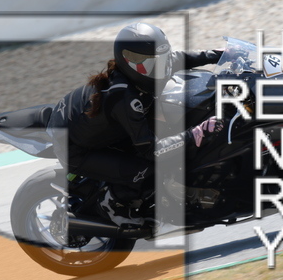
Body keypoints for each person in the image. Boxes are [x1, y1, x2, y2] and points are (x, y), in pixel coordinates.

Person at [47, 22, 224, 227]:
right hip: (75, 147)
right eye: (152, 63)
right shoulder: (125, 97)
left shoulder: (151, 66)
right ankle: (112, 204)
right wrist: (195, 134)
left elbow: (180, 58)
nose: (162, 68)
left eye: (163, 59)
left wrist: (220, 54)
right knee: (149, 168)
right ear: (129, 62)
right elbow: (152, 150)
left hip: (94, 127)